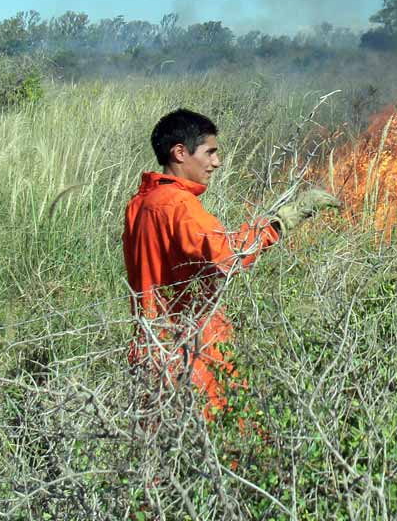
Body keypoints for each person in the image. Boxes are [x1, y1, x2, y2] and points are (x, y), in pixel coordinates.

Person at [123, 108, 338, 418]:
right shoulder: (178, 204)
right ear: (180, 153)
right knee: (222, 446)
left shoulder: (140, 202)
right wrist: (281, 222)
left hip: (151, 349)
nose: (216, 162)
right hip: (191, 351)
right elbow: (227, 255)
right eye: (209, 152)